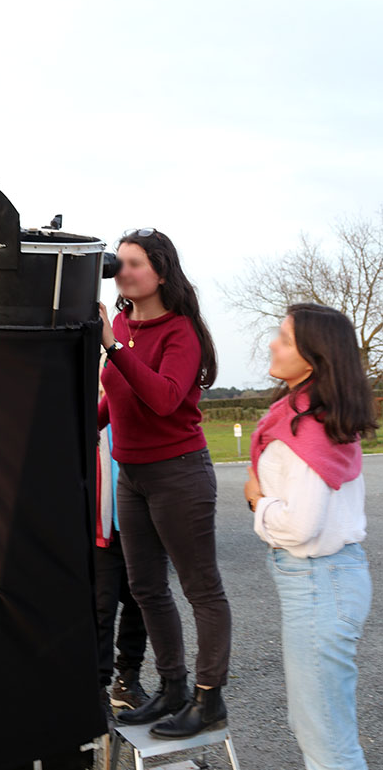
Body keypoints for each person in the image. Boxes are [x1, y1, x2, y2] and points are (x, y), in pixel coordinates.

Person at [98, 228, 231, 740]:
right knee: (146, 587)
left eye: (132, 264)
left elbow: (163, 398)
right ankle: (172, 687)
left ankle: (208, 699)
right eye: (120, 264)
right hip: (130, 474)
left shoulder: (180, 333)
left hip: (179, 472)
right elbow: (118, 401)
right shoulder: (126, 324)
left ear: (160, 272)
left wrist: (112, 347)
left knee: (202, 588)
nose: (122, 272)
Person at [245, 303, 376, 770]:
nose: (273, 343)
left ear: (314, 357)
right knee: (316, 726)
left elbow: (300, 528)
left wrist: (257, 500)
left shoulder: (310, 426)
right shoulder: (313, 414)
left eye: (285, 337)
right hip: (325, 581)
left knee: (327, 742)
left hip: (319, 580)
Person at [96, 416, 148, 729]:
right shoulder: (93, 413)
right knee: (100, 611)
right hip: (102, 533)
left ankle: (127, 683)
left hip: (141, 529)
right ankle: (96, 691)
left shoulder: (138, 410)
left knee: (141, 604)